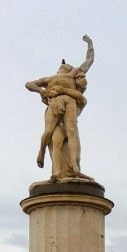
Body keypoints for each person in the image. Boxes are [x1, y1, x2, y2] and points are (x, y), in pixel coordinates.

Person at [25, 35, 95, 181]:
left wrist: (89, 43)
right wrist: (42, 91)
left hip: (68, 102)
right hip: (55, 103)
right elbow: (29, 84)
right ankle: (42, 152)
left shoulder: (73, 74)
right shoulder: (48, 79)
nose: (64, 65)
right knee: (51, 134)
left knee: (70, 133)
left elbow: (89, 60)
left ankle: (71, 166)